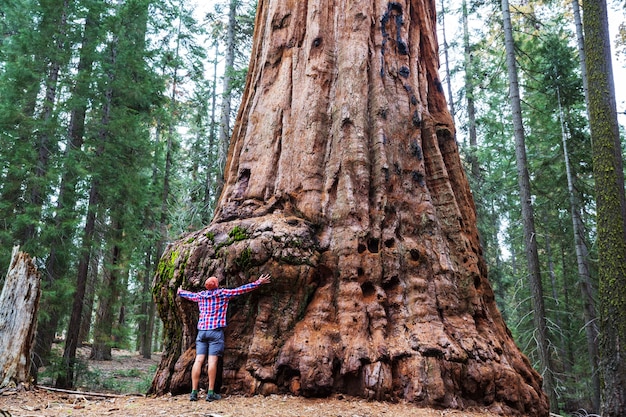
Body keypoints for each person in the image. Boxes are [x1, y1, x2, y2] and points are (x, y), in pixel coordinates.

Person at [177, 273, 271, 402]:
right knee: (212, 361)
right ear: (217, 285)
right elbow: (241, 290)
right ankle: (210, 393)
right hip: (215, 332)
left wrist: (180, 291)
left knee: (198, 360)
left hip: (202, 332)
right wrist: (258, 282)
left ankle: (194, 392)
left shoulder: (201, 296)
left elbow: (188, 295)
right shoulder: (222, 294)